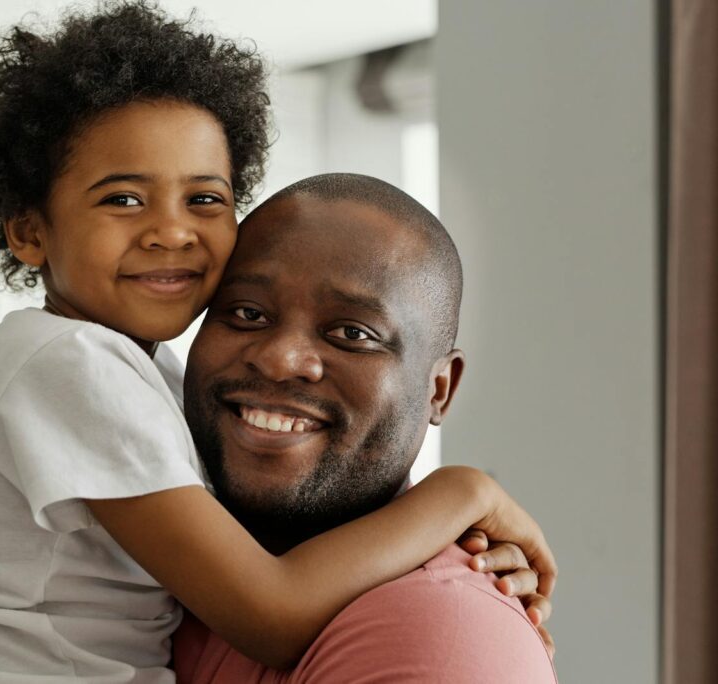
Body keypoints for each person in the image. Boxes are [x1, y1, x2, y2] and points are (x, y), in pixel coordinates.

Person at [0, 3, 555, 682]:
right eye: (123, 200)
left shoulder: (139, 371)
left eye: (203, 199)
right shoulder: (69, 366)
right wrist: (464, 492)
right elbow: (272, 613)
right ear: (29, 233)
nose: (172, 232)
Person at [175, 173, 558, 683]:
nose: (279, 358)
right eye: (247, 313)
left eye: (353, 333)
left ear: (438, 388)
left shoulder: (436, 633)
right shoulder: (151, 552)